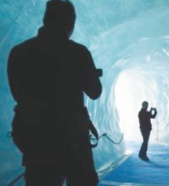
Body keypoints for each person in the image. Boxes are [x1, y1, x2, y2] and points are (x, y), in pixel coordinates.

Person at [7, 0, 102, 185]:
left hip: (36, 140)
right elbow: (95, 92)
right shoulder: (78, 53)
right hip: (73, 140)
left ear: (45, 19)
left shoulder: (19, 52)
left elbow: (18, 94)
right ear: (70, 24)